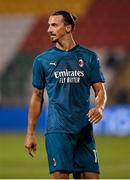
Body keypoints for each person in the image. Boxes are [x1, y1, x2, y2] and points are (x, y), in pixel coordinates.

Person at [24, 10, 107, 179]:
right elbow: (37, 96)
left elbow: (100, 90)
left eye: (54, 25)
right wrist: (30, 132)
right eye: (48, 25)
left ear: (68, 28)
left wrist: (99, 107)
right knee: (61, 176)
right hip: (57, 130)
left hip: (83, 130)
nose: (48, 29)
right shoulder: (42, 61)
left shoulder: (89, 57)